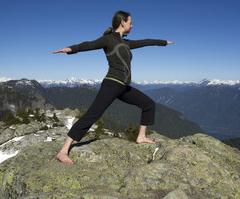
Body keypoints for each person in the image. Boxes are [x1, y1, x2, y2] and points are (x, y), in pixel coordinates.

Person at [53, 11, 174, 164]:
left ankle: (141, 136)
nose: (132, 25)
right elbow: (89, 45)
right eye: (130, 22)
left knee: (149, 104)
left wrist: (162, 42)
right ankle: (63, 151)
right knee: (92, 114)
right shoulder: (109, 40)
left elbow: (145, 41)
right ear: (122, 22)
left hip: (123, 87)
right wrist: (71, 49)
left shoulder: (126, 43)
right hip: (112, 84)